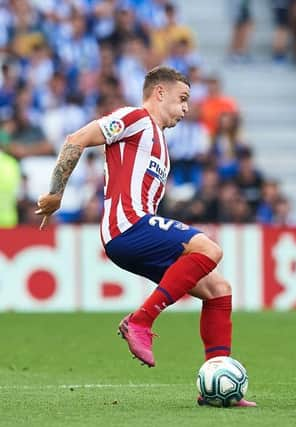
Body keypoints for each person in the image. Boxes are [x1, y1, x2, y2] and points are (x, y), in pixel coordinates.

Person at [34, 66, 255, 407]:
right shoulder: (135, 118)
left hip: (138, 230)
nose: (185, 109)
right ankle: (141, 320)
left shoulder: (160, 145)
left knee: (218, 290)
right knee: (209, 249)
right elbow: (75, 140)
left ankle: (214, 384)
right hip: (126, 227)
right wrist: (56, 194)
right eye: (182, 100)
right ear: (159, 93)